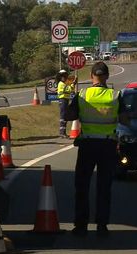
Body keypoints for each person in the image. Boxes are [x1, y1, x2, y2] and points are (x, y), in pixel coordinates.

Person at [65, 62, 122, 237]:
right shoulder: (115, 95)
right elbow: (126, 118)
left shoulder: (82, 95)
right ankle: (102, 225)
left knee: (82, 186)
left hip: (87, 146)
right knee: (104, 187)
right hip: (108, 146)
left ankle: (81, 225)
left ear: (91, 77)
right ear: (107, 76)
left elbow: (69, 116)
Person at [56, 69, 77, 138]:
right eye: (63, 76)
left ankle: (63, 132)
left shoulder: (64, 83)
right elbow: (69, 89)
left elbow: (70, 89)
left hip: (65, 100)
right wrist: (73, 84)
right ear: (60, 77)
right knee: (63, 116)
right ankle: (62, 133)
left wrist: (73, 83)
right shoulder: (61, 84)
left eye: (65, 76)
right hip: (63, 100)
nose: (64, 77)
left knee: (65, 116)